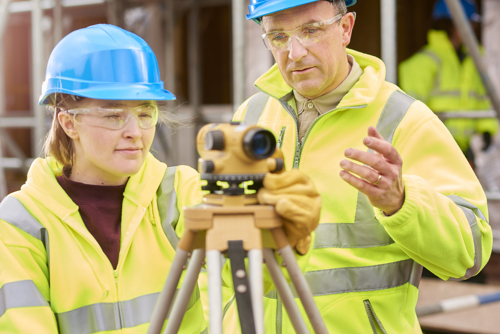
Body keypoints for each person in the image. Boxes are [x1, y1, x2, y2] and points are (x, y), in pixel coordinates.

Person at [0, 24, 320, 333]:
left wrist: (286, 234)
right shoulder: (20, 224)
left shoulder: (179, 192)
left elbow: (254, 279)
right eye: (113, 116)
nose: (135, 132)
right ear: (68, 123)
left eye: (144, 114)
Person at [228, 0, 493, 333]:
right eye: (278, 36)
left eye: (310, 30)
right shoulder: (250, 116)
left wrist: (402, 202)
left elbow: (470, 253)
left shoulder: (403, 121)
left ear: (346, 28)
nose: (294, 53)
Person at [399, 0, 499, 169]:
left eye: (473, 24)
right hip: (433, 149)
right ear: (450, 23)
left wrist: (486, 129)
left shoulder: (474, 61)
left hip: (465, 150)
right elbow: (411, 112)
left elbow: (482, 97)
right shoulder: (423, 63)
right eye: (469, 23)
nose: (472, 28)